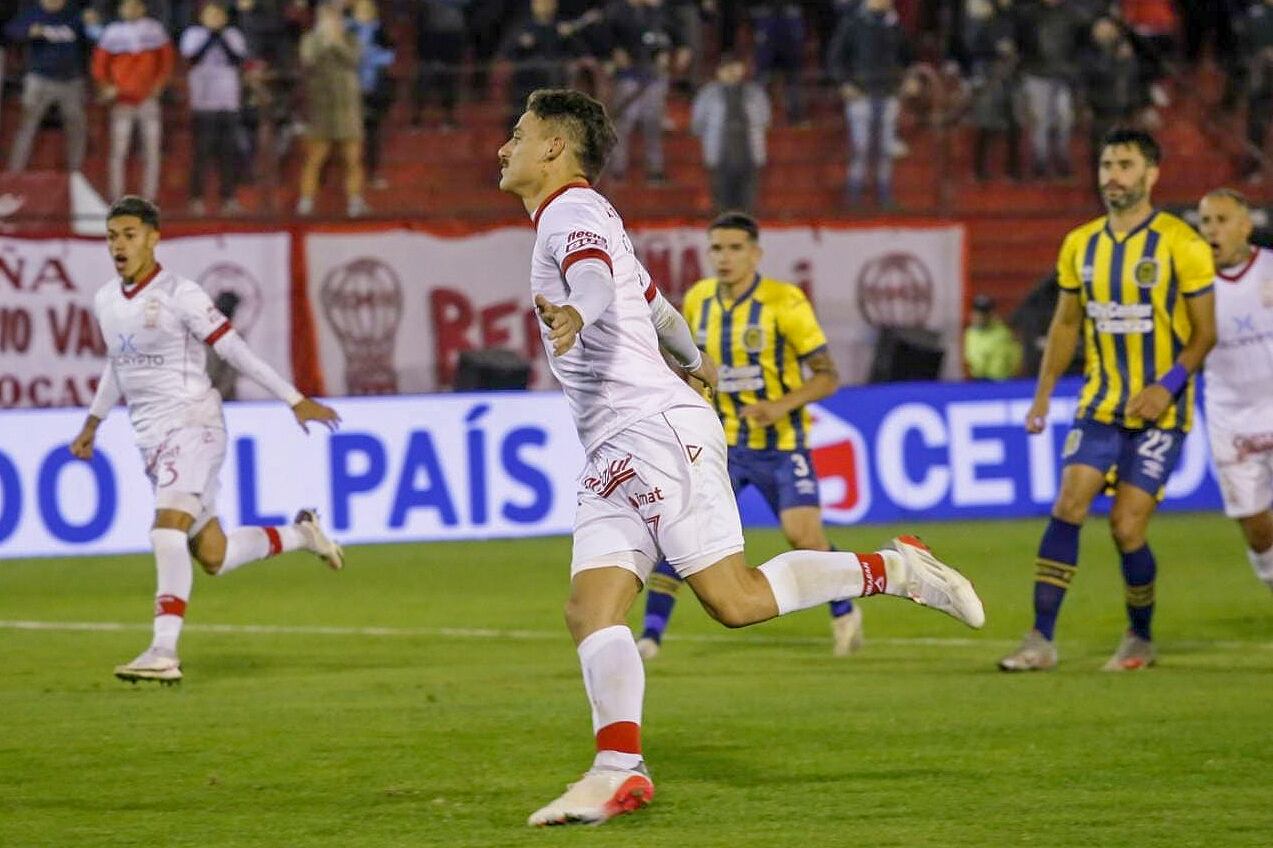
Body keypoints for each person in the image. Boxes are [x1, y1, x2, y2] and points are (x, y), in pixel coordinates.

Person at [497, 88, 984, 827]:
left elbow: (596, 280)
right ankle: (616, 771)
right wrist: (693, 358)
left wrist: (575, 312)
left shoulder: (569, 215)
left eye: (519, 134)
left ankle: (896, 569)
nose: (504, 147)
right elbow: (656, 305)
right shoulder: (589, 216)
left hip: (653, 433)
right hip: (614, 447)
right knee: (588, 610)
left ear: (554, 149)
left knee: (735, 600)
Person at [70, 196, 345, 685]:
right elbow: (118, 364)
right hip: (150, 438)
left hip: (194, 423)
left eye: (130, 234)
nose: (119, 245)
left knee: (165, 529)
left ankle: (162, 651)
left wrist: (293, 398)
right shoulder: (106, 301)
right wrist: (93, 423)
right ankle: (303, 534)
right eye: (112, 236)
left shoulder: (182, 294)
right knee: (213, 555)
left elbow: (233, 350)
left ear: (154, 237)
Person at [998, 129, 1216, 673]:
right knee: (1069, 504)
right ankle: (1039, 639)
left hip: (1161, 412)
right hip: (1098, 405)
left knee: (1126, 527)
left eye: (1124, 164)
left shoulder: (1181, 244)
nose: (1112, 175)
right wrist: (1042, 395)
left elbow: (1204, 334)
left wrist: (1166, 385)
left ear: (1151, 174)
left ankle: (1139, 637)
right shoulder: (1080, 244)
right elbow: (1066, 322)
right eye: (1105, 164)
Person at [634, 212, 862, 661]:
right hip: (722, 447)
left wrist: (778, 406)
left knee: (804, 537)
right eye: (717, 248)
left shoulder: (785, 302)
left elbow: (827, 377)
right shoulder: (699, 299)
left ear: (755, 253)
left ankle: (845, 611)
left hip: (781, 446)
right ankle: (651, 637)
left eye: (735, 248)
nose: (725, 257)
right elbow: (690, 364)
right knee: (681, 533)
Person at [1196, 188, 1273, 591]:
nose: (1212, 229)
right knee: (1257, 529)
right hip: (1231, 419)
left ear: (1245, 226)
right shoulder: (1192, 287)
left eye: (1222, 220)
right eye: (1206, 221)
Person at [826, 0, 913, 208]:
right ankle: (853, 196)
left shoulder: (895, 25)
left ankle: (884, 195)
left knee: (885, 148)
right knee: (861, 147)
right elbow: (835, 57)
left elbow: (907, 56)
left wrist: (907, 78)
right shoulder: (852, 23)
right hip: (861, 93)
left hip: (888, 92)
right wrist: (844, 83)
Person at [92, 0, 175, 202]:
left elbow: (166, 60)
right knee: (118, 152)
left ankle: (149, 199)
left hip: (148, 99)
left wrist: (160, 84)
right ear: (120, 9)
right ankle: (116, 199)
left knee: (152, 152)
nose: (131, 10)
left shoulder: (154, 29)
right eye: (127, 6)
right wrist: (105, 87)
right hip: (122, 100)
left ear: (143, 8)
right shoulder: (112, 32)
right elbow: (99, 65)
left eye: (135, 6)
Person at [296, 1, 366, 217]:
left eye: (335, 19)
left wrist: (336, 44)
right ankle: (306, 201)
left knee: (353, 159)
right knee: (314, 158)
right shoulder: (310, 40)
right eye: (327, 18)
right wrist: (324, 43)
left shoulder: (351, 39)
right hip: (322, 108)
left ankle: (355, 201)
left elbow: (354, 60)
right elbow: (308, 61)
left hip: (347, 108)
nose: (332, 22)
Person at [4, 0, 91, 175]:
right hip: (39, 79)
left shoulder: (74, 12)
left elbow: (93, 37)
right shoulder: (33, 12)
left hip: (71, 81)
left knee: (76, 127)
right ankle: (14, 174)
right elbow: (11, 31)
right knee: (27, 126)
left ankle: (76, 176)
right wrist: (28, 31)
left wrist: (92, 24)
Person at [180, 1, 248, 215]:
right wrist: (211, 36)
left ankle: (228, 198)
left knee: (228, 153)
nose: (215, 18)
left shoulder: (233, 35)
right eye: (210, 15)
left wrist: (220, 36)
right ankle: (196, 198)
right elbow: (193, 57)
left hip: (228, 102)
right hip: (203, 102)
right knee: (202, 152)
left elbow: (236, 59)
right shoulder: (193, 34)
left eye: (218, 15)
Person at [690, 53, 770, 214]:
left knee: (747, 205)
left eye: (735, 67)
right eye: (727, 68)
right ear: (719, 71)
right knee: (721, 204)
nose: (732, 72)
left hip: (749, 154)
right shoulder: (708, 94)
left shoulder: (754, 93)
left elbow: (765, 119)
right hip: (720, 156)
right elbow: (697, 123)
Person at [964, 293, 1022, 380]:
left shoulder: (1003, 333)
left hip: (1000, 382)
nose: (980, 317)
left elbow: (1015, 359)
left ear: (991, 314)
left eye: (984, 313)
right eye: (977, 312)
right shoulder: (969, 334)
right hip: (977, 381)